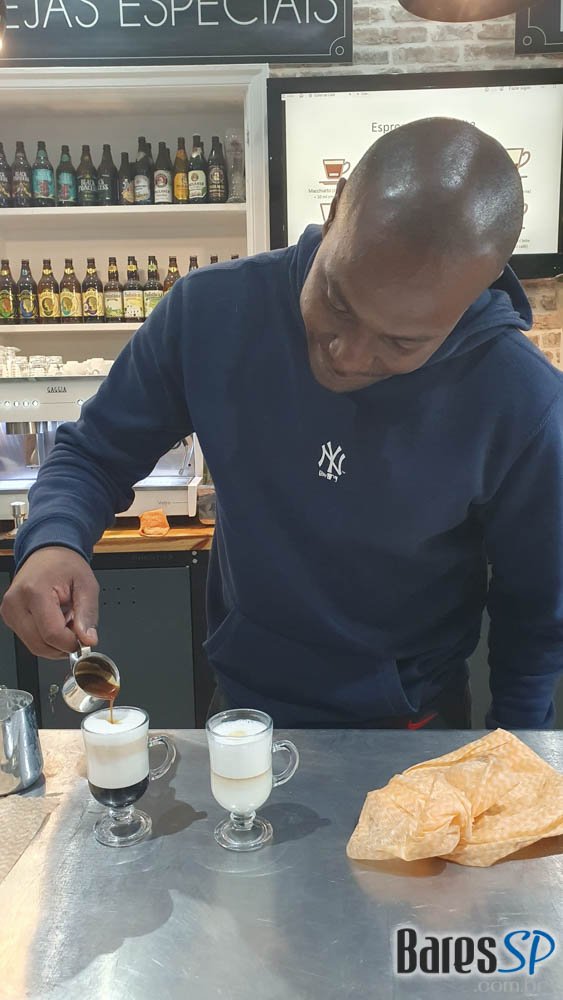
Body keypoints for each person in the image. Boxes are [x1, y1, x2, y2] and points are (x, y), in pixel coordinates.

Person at [2, 118, 562, 729]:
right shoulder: (210, 312)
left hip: (413, 725)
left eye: (401, 342)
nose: (347, 354)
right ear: (337, 205)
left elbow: (536, 612)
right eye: (338, 300)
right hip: (243, 708)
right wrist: (53, 541)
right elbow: (94, 454)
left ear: (476, 292)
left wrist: (519, 755)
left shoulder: (521, 400)